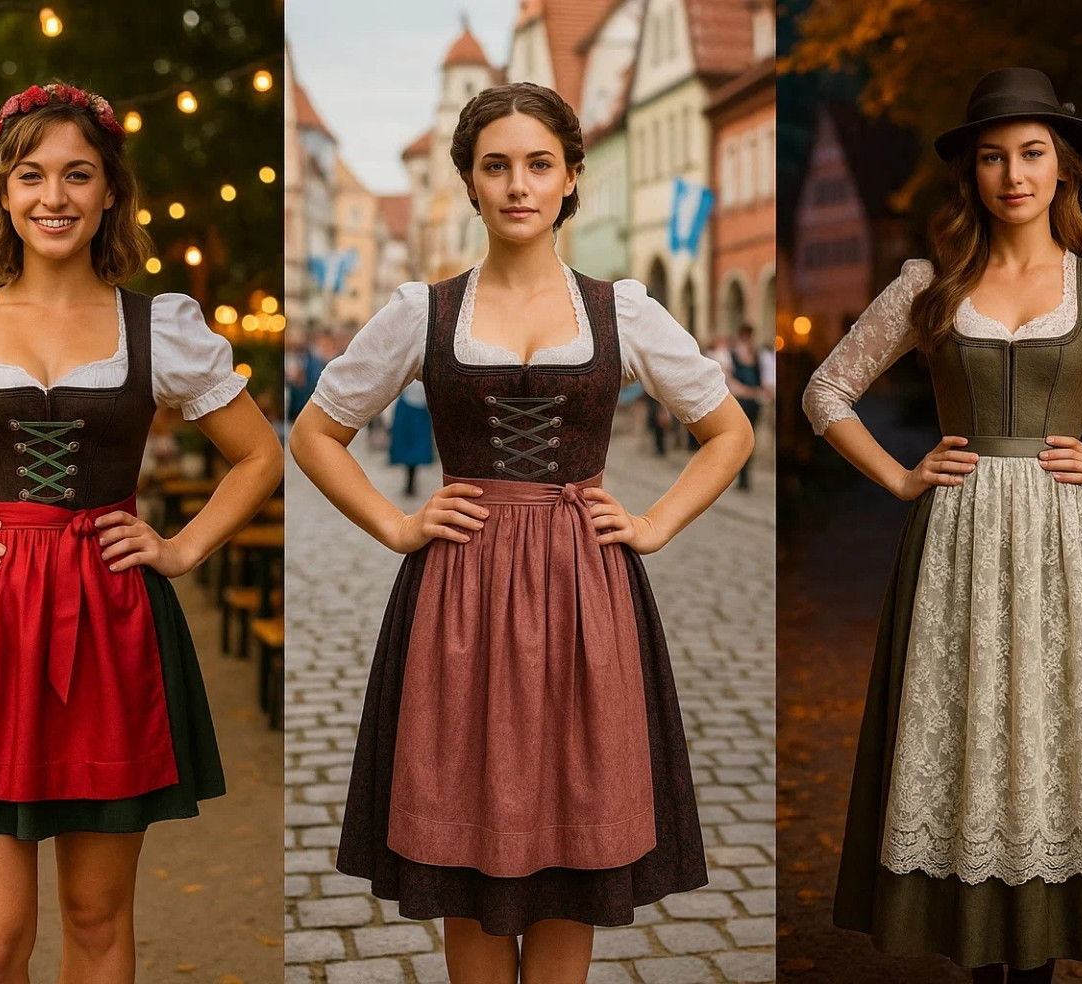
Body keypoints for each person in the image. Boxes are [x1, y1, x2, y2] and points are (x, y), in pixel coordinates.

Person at [289, 81, 753, 983]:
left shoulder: (622, 310)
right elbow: (315, 431)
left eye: (539, 164)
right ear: (467, 180)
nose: (518, 185)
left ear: (572, 177)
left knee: (572, 855)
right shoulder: (421, 312)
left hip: (587, 597)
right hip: (457, 598)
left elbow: (727, 431)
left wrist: (653, 524)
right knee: (463, 861)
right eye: (495, 166)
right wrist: (395, 522)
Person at [0, 83, 283, 983]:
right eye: (33, 175)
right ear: (4, 190)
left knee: (94, 920)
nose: (55, 197)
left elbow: (260, 455)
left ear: (110, 189)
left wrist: (182, 548)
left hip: (111, 621)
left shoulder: (158, 326)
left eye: (78, 174)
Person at [803, 68, 1082, 981]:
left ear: (1062, 169)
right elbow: (826, 390)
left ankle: (1043, 956)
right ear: (970, 174)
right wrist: (901, 478)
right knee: (967, 743)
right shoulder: (930, 286)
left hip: (1068, 548)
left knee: (1058, 746)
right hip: (958, 550)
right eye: (993, 156)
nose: (1013, 173)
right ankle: (980, 953)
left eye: (1031, 153)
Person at [714, 323, 774, 490]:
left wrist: (761, 392)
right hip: (740, 401)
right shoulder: (732, 355)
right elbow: (728, 379)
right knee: (739, 438)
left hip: (754, 403)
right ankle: (739, 475)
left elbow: (767, 379)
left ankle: (745, 477)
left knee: (749, 438)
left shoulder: (759, 356)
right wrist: (747, 391)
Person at [388, 380, 435, 497]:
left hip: (419, 411)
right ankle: (410, 481)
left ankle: (411, 481)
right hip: (408, 410)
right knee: (407, 448)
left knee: (415, 449)